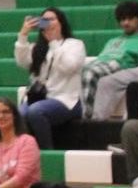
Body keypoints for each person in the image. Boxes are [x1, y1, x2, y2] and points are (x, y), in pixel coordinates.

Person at [14, 8, 86, 149]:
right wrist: (23, 35)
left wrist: (53, 43)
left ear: (61, 23)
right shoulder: (38, 47)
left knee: (35, 111)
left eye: (52, 19)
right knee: (18, 114)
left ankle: (47, 152)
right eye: (44, 20)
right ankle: (25, 152)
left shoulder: (75, 44)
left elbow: (69, 66)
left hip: (66, 100)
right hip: (40, 98)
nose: (48, 23)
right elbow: (21, 62)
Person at [81, 0, 138, 120]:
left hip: (120, 66)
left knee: (91, 73)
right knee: (85, 71)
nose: (125, 23)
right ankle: (88, 117)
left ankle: (90, 119)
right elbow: (102, 58)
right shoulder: (112, 41)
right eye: (122, 19)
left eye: (130, 19)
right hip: (101, 64)